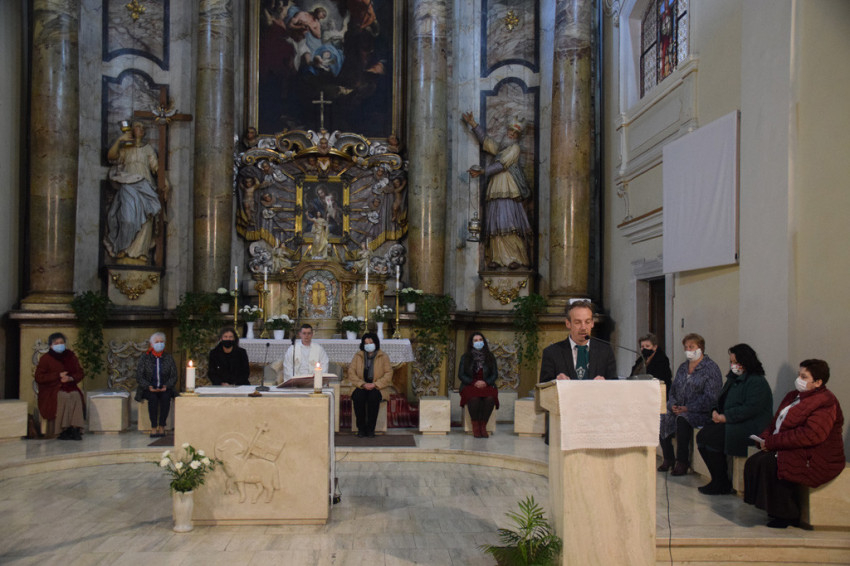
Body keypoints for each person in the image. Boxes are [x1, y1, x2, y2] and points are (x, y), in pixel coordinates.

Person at [744, 359, 845, 528]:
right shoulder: (792, 396)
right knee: (755, 461)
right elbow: (775, 423)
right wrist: (764, 438)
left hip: (816, 452)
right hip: (788, 444)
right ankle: (771, 509)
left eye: (804, 377)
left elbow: (812, 435)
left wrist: (773, 442)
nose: (799, 379)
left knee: (774, 463)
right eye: (799, 375)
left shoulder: (826, 401)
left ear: (818, 382)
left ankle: (787, 514)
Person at [695, 343, 773, 495]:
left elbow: (751, 408)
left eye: (736, 362)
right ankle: (717, 478)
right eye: (731, 362)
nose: (733, 366)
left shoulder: (757, 382)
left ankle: (721, 482)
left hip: (749, 425)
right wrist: (715, 411)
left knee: (713, 438)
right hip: (732, 421)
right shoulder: (732, 379)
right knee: (703, 436)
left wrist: (726, 417)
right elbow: (721, 399)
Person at [463, 112, 533, 270]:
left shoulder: (514, 148)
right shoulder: (502, 148)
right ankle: (497, 258)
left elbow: (502, 164)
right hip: (495, 188)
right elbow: (487, 142)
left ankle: (515, 257)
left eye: (515, 133)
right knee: (495, 222)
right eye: (510, 131)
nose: (511, 134)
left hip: (508, 188)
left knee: (509, 223)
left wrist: (483, 171)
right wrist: (473, 124)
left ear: (518, 136)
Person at [659, 333, 722, 476]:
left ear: (700, 348)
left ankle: (682, 461)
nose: (688, 350)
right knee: (663, 415)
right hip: (679, 407)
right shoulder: (683, 367)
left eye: (691, 347)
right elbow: (673, 390)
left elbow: (711, 397)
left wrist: (688, 408)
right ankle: (668, 457)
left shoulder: (710, 368)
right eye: (686, 347)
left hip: (700, 411)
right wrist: (673, 404)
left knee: (683, 419)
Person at [105, 121, 165, 262]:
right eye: (137, 126)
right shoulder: (126, 148)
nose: (140, 129)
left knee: (147, 218)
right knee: (127, 218)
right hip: (128, 184)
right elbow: (111, 156)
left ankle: (142, 251)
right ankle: (123, 248)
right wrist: (120, 139)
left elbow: (156, 167)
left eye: (143, 128)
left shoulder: (148, 149)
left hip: (146, 185)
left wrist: (165, 182)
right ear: (132, 130)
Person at [539, 300, 617, 383]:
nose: (583, 327)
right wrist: (556, 382)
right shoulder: (552, 353)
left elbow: (615, 384)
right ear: (568, 324)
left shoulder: (605, 351)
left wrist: (606, 383)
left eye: (587, 322)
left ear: (592, 323)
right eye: (578, 322)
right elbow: (543, 386)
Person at [34, 332, 85, 440]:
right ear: (51, 345)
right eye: (56, 343)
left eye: (61, 342)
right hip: (51, 389)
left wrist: (71, 378)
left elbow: (80, 373)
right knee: (63, 396)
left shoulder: (71, 356)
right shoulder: (46, 358)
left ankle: (75, 428)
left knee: (75, 395)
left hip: (69, 385)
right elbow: (39, 377)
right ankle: (63, 429)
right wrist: (57, 376)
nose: (59, 345)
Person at [347, 333, 393, 438]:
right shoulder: (358, 356)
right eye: (366, 343)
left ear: (376, 343)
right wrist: (362, 384)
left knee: (373, 397)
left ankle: (371, 429)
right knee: (358, 396)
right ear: (363, 344)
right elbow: (351, 372)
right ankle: (361, 428)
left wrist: (375, 384)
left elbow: (388, 373)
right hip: (361, 385)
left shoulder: (383, 356)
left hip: (377, 387)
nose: (369, 345)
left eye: (371, 343)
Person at [134, 332, 178, 438]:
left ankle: (162, 426)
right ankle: (153, 427)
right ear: (152, 344)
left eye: (161, 342)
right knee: (153, 399)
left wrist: (166, 386)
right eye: (157, 342)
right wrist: (148, 386)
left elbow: (174, 376)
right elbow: (139, 376)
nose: (159, 344)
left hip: (164, 388)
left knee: (166, 398)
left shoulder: (168, 358)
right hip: (148, 388)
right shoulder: (145, 358)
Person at [458, 332, 500, 438]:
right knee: (474, 398)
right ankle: (475, 425)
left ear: (484, 342)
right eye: (475, 340)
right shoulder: (465, 357)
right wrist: (474, 382)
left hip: (486, 384)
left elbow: (494, 374)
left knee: (490, 398)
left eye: (480, 340)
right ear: (471, 343)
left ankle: (483, 426)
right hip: (470, 385)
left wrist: (486, 382)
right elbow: (461, 375)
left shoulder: (490, 357)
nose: (478, 342)